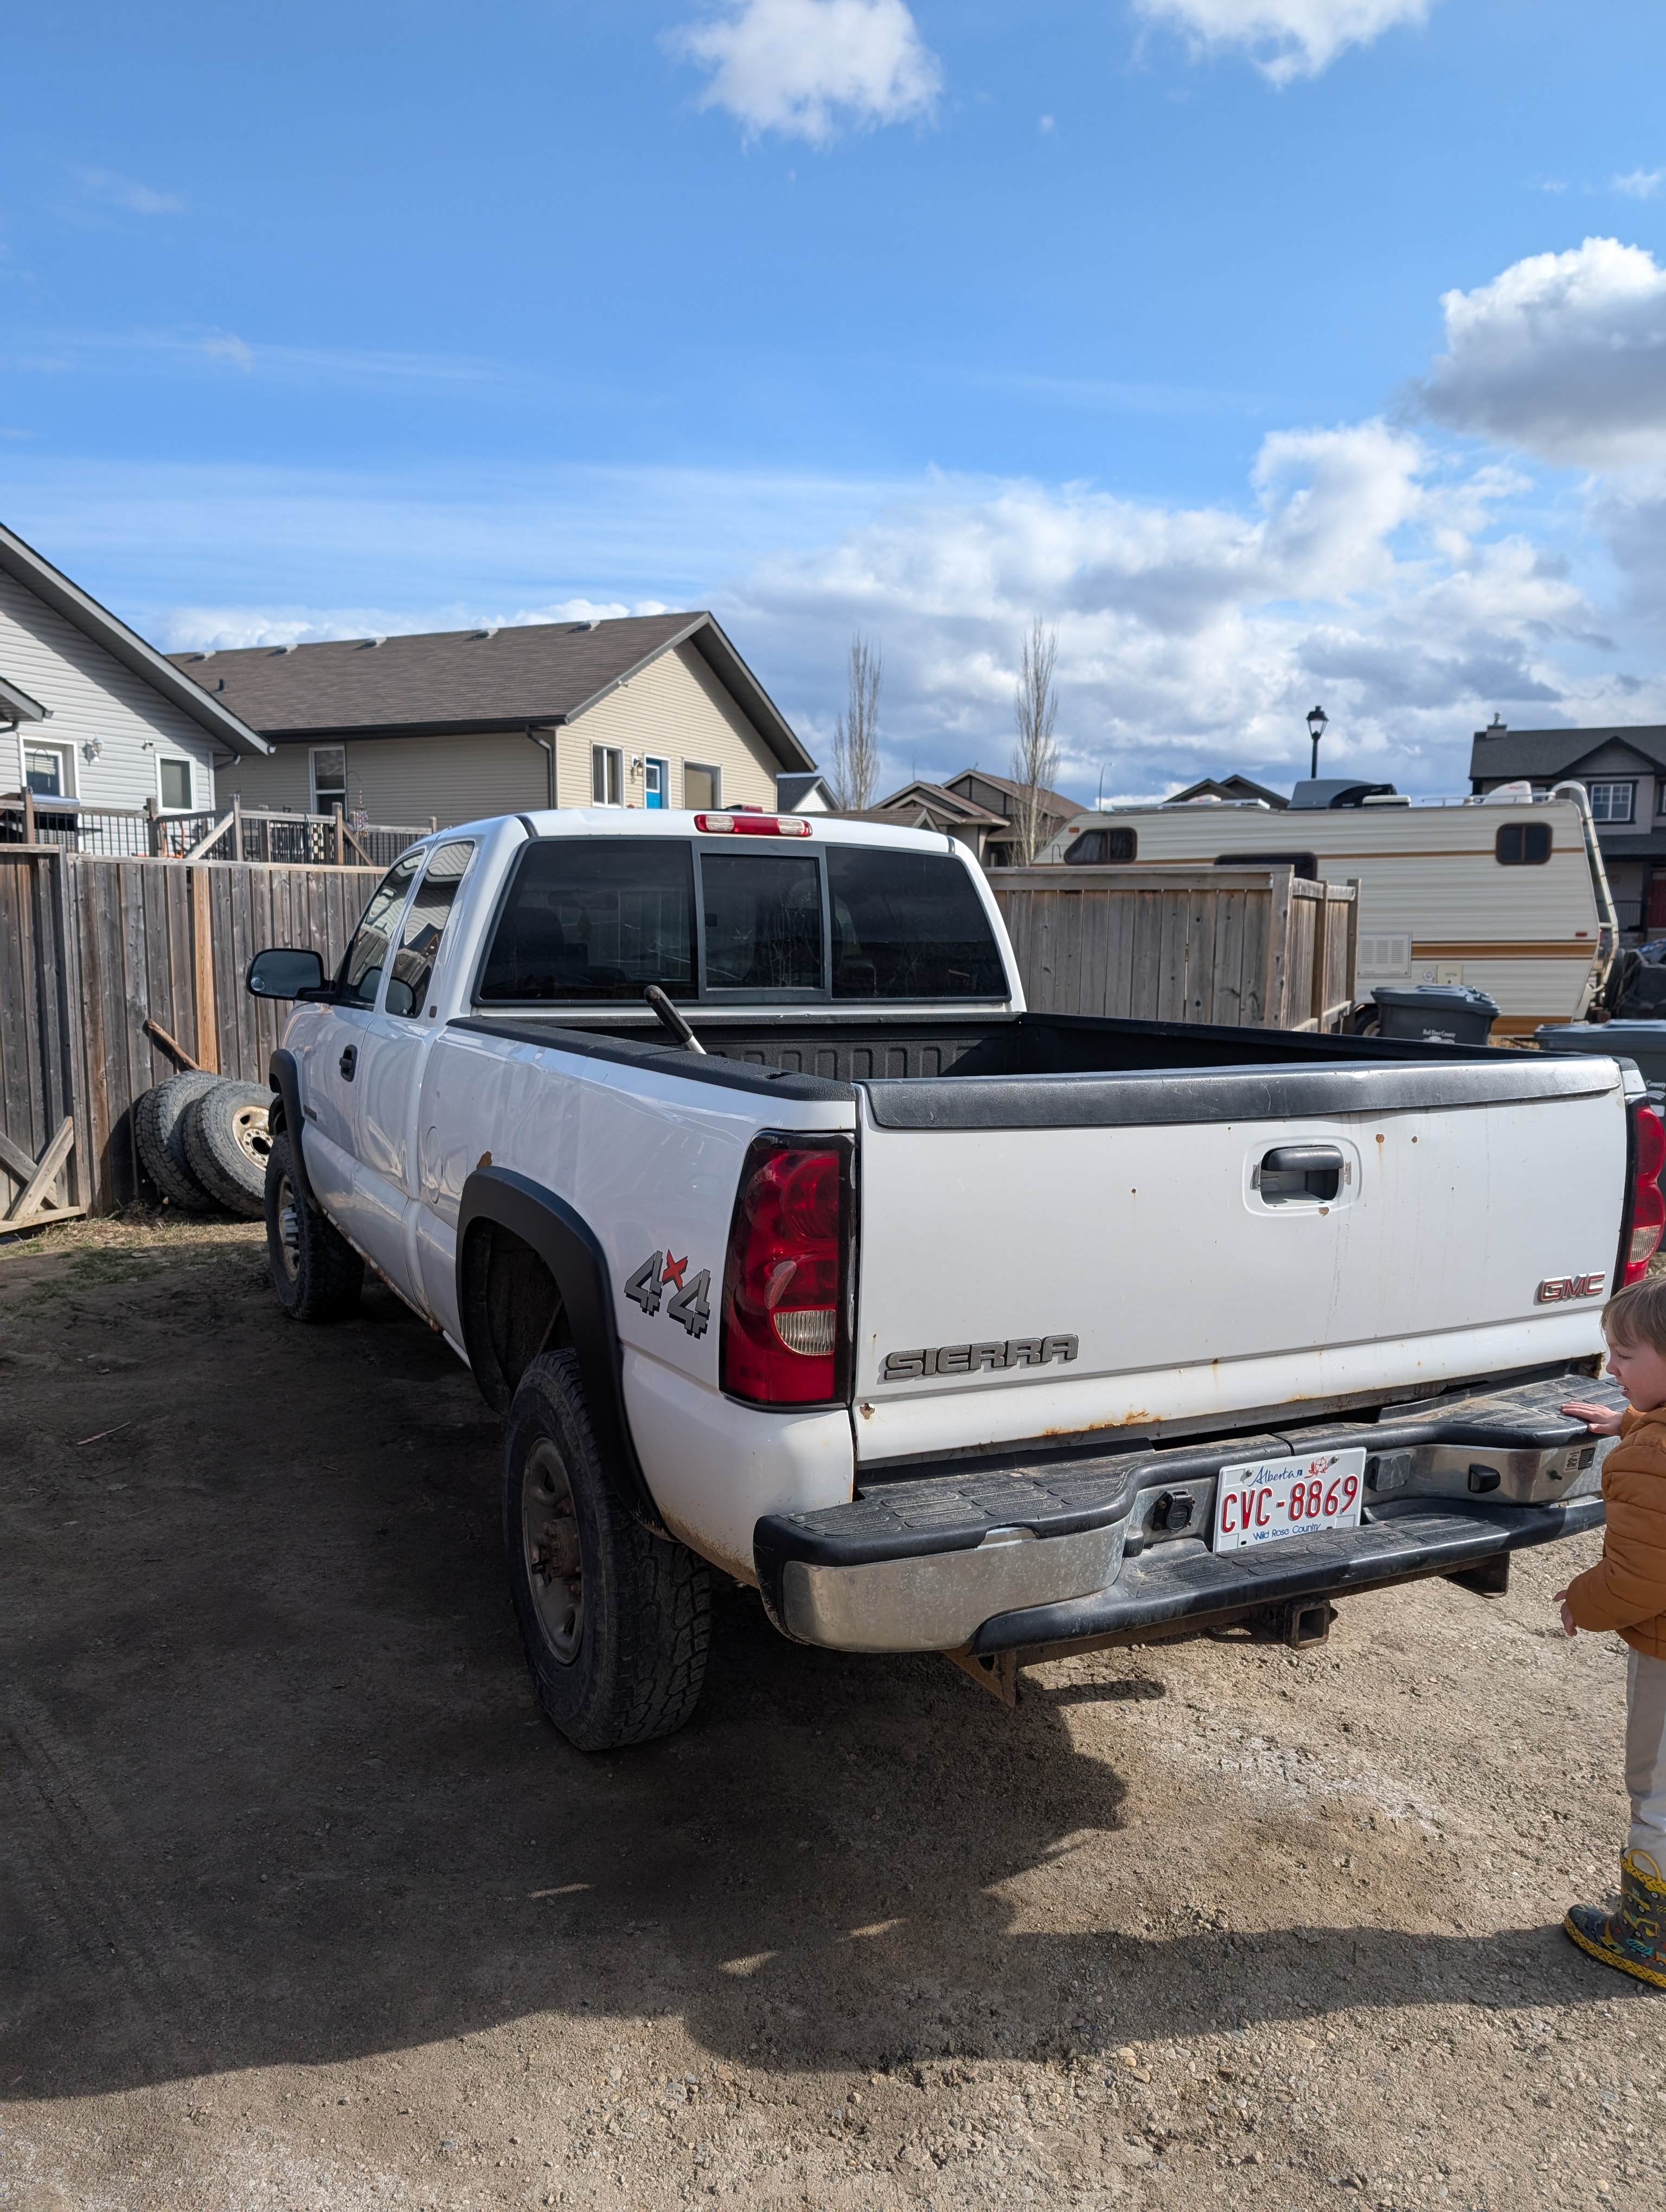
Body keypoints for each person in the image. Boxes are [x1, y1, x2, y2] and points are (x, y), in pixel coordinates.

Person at [1558, 1274, 1666, 1988]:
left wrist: (1581, 1599)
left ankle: (1649, 1940)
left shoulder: (1651, 1460)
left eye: (1625, 1355)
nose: (1611, 1367)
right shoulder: (1651, 1437)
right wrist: (1627, 1419)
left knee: (1656, 1789)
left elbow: (1641, 1576)